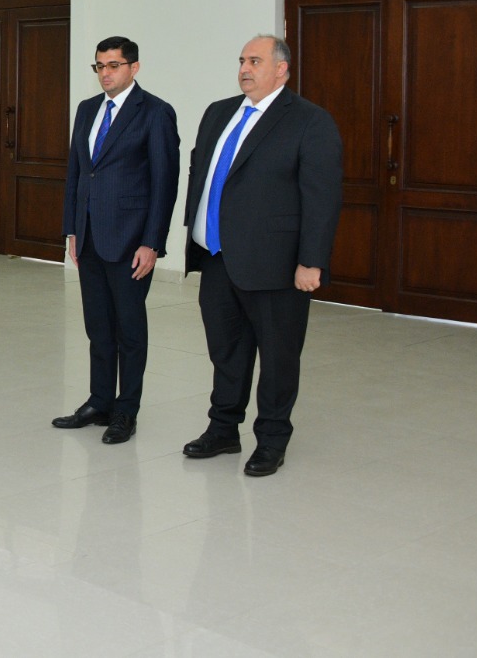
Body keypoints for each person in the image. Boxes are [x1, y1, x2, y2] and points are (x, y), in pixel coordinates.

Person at [180, 35, 342, 477]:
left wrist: (312, 261)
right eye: (241, 61)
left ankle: (271, 439)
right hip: (217, 257)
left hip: (276, 264)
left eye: (255, 61)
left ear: (281, 69)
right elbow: (202, 174)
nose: (244, 69)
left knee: (277, 357)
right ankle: (223, 429)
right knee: (226, 351)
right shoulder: (219, 113)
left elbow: (322, 197)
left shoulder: (310, 121)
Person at [53, 36, 179, 444]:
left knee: (129, 330)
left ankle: (126, 411)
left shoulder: (155, 112)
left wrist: (152, 242)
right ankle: (100, 401)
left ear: (133, 67)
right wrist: (72, 229)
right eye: (99, 66)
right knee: (98, 327)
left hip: (130, 241)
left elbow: (164, 183)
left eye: (113, 65)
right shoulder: (87, 109)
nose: (105, 73)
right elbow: (77, 173)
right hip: (89, 237)